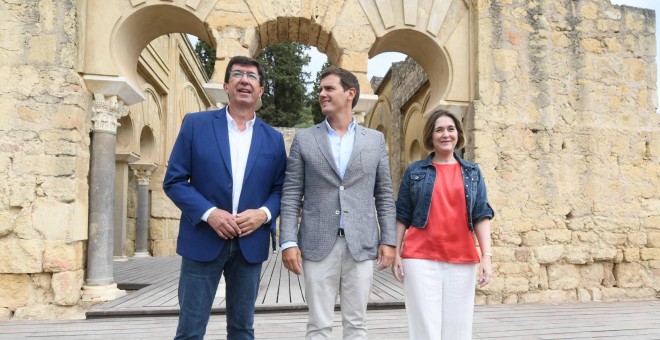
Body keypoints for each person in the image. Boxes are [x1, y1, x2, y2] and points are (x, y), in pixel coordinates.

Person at [163, 55, 287, 340]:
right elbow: (175, 180)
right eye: (238, 74)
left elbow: (281, 189)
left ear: (261, 91)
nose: (245, 80)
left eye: (252, 76)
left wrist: (263, 215)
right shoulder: (196, 125)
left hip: (250, 245)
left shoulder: (273, 139)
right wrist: (210, 213)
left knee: (243, 330)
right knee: (190, 330)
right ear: (227, 85)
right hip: (202, 241)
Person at [279, 67, 396, 339]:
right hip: (317, 244)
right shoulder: (305, 139)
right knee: (318, 325)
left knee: (356, 325)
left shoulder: (375, 140)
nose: (322, 94)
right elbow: (291, 193)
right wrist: (288, 241)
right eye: (320, 89)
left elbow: (384, 194)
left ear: (350, 94)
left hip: (362, 244)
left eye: (329, 89)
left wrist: (389, 240)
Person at [391, 109, 495, 340]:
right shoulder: (415, 171)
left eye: (450, 129)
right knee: (424, 328)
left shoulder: (472, 172)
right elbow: (402, 214)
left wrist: (486, 255)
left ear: (458, 133)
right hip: (419, 258)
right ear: (431, 135)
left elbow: (481, 215)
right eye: (439, 129)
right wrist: (396, 252)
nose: (445, 134)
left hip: (463, 259)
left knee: (458, 329)